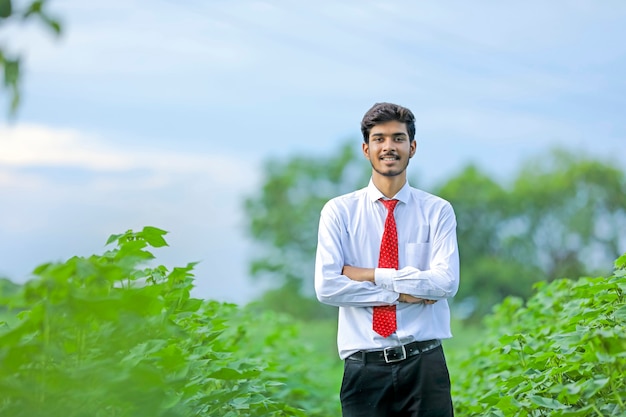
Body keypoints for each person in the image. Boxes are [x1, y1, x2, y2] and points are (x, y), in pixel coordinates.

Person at [314, 102, 460, 416]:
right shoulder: (339, 212)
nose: (389, 146)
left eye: (398, 138)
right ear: (366, 149)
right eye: (379, 139)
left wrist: (371, 275)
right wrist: (401, 292)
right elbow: (327, 287)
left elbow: (445, 283)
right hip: (364, 370)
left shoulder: (438, 211)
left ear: (413, 147)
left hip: (425, 365)